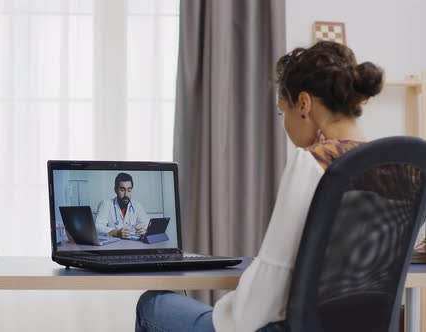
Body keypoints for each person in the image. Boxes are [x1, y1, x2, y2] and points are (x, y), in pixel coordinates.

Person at [135, 40, 384, 332]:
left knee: (153, 304)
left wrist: (227, 309)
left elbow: (273, 275)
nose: (285, 124)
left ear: (303, 104)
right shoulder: (395, 167)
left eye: (283, 112)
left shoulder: (312, 163)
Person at [95, 172, 150, 239]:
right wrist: (117, 232)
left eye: (129, 190)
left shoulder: (137, 206)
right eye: (122, 190)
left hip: (133, 245)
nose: (126, 194)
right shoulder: (106, 204)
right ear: (115, 190)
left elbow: (148, 225)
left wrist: (145, 230)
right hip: (113, 246)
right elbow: (97, 227)